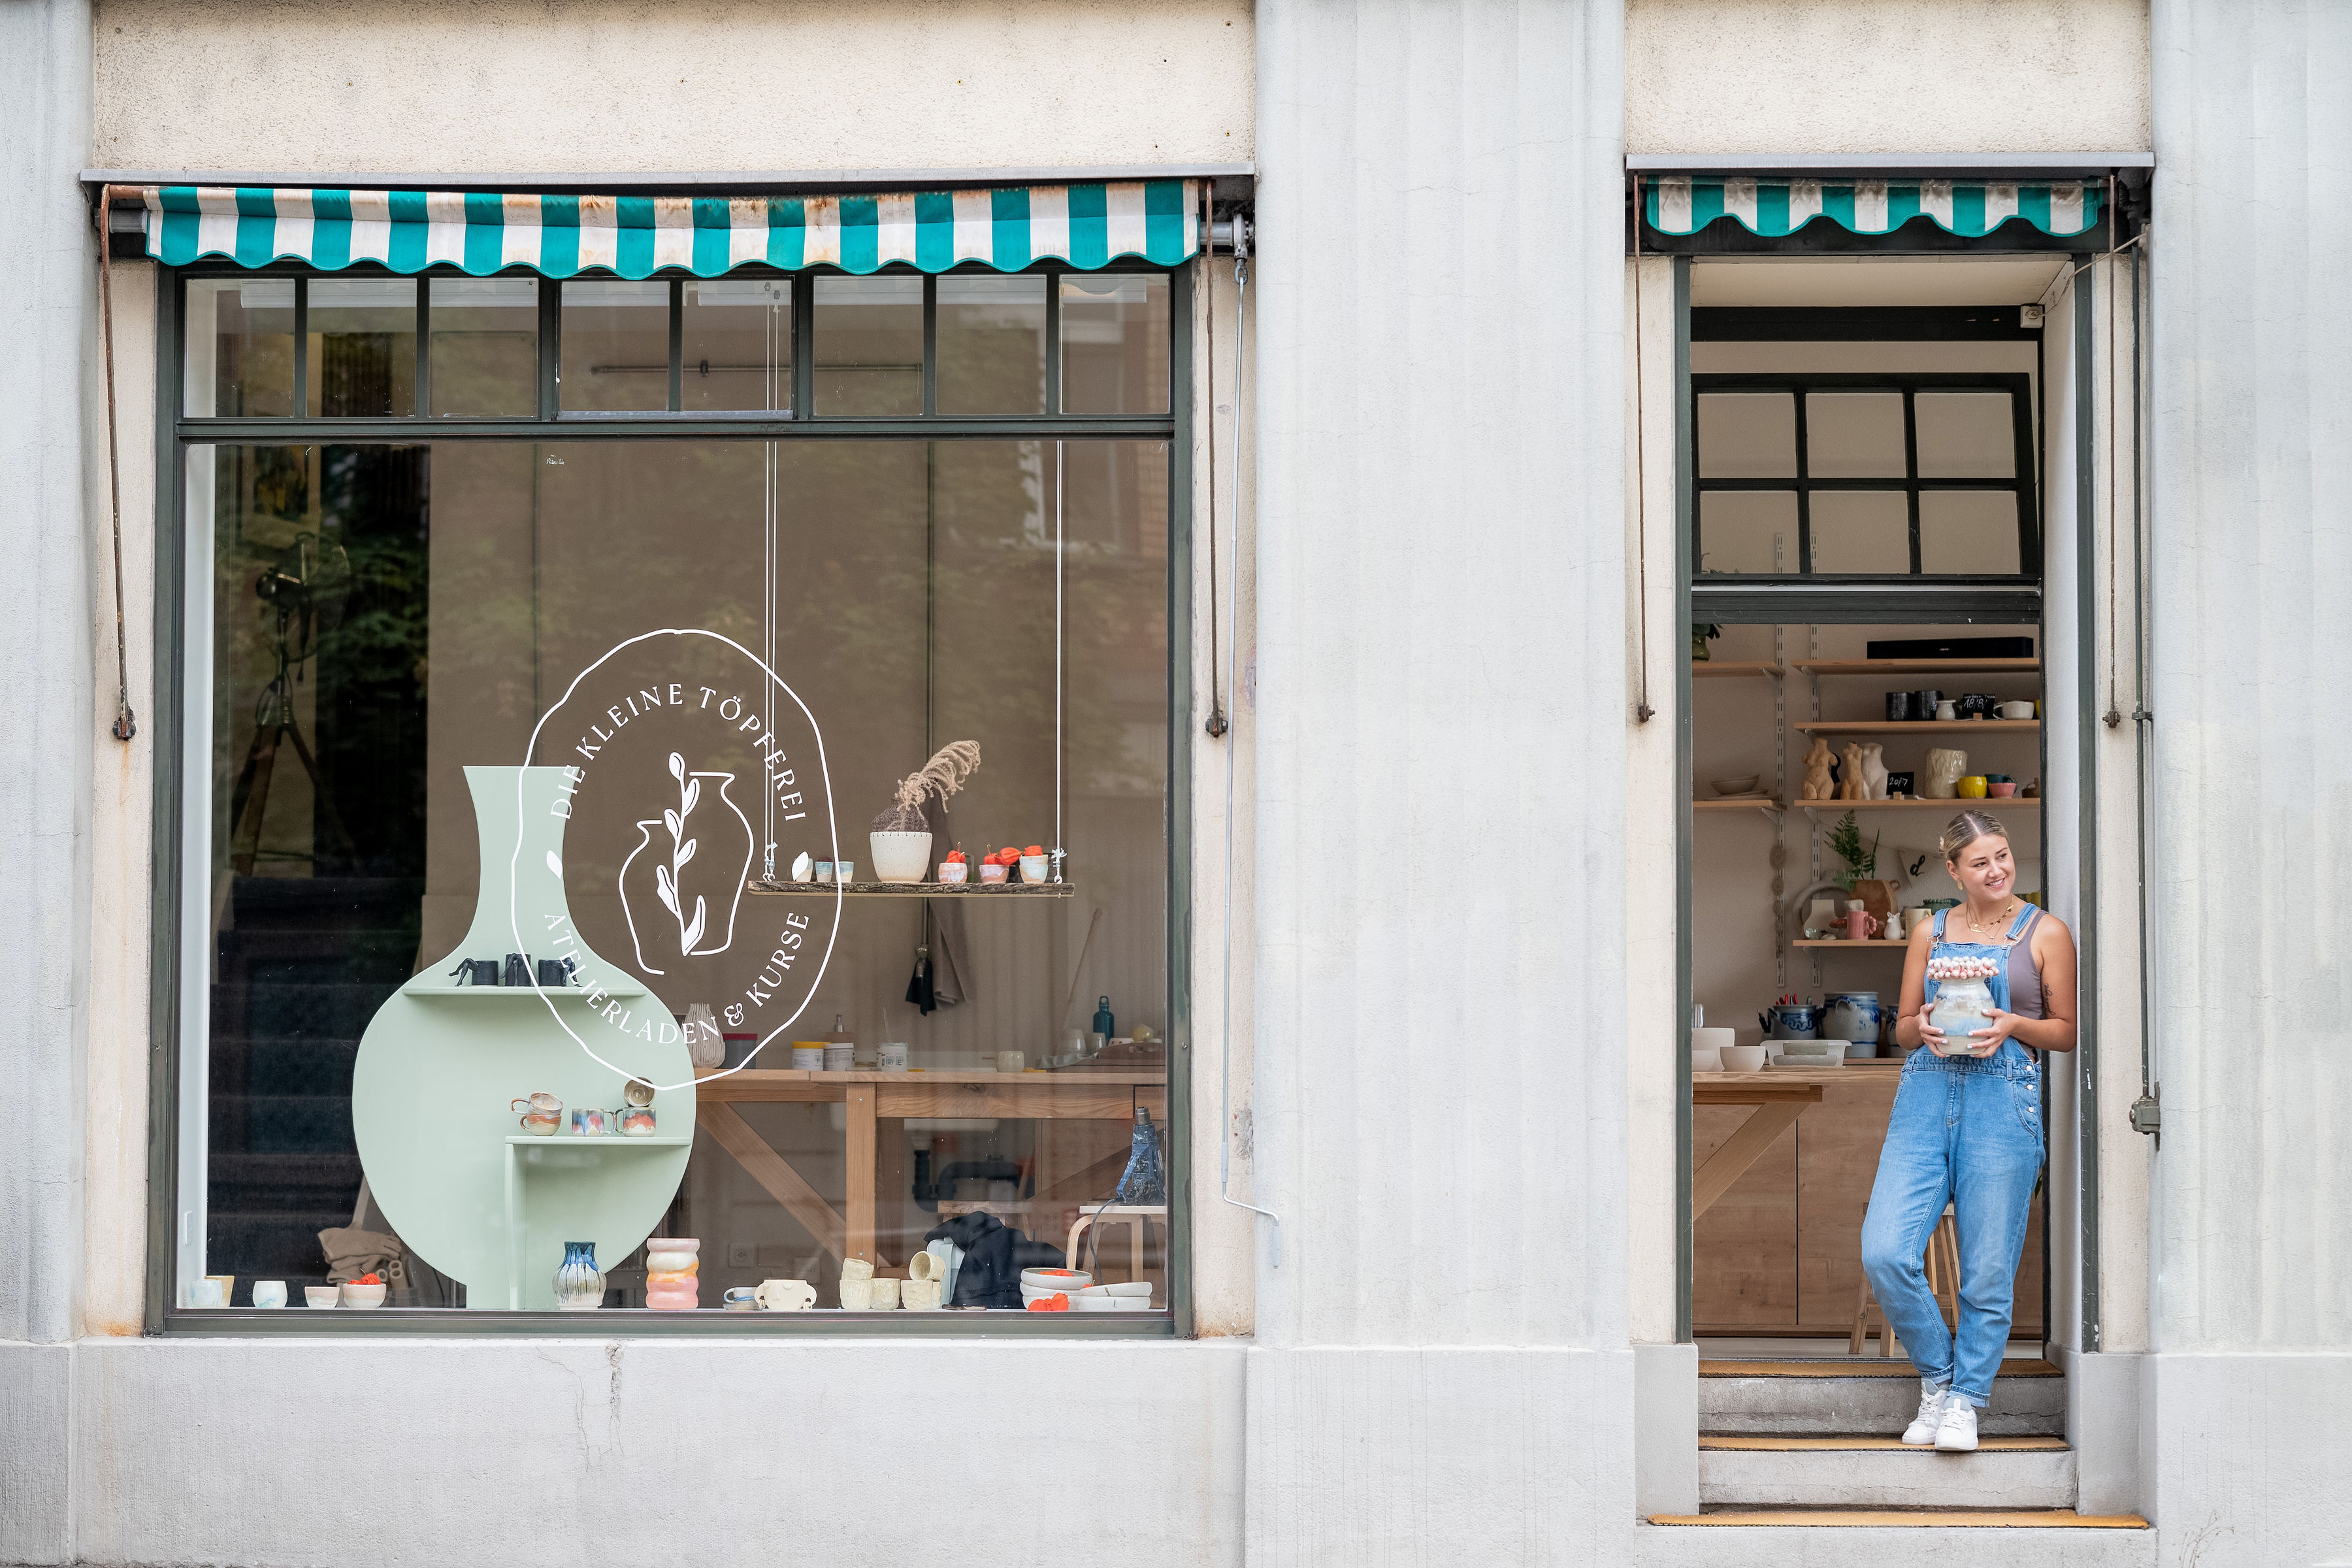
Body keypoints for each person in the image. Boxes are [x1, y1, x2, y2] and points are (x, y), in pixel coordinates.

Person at [1861, 809, 2076, 1452]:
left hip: (2002, 1102)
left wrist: (2011, 1024)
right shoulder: (1929, 932)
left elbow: (2066, 1031)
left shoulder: (2045, 932)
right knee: (1885, 1250)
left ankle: (1964, 1403)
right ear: (1954, 871)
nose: (1997, 870)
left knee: (1986, 1271)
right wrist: (1921, 1026)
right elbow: (1902, 1027)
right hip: (1926, 1097)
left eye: (2002, 856)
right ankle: (1939, 1377)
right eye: (1980, 862)